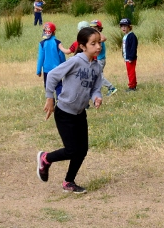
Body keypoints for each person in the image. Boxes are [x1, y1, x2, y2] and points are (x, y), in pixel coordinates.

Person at [37, 27, 103, 194]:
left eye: (99, 43)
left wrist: (97, 96)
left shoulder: (97, 66)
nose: (98, 47)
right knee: (72, 149)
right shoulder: (75, 61)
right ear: (82, 46)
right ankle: (45, 158)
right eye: (93, 44)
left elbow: (96, 87)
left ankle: (68, 182)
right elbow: (52, 76)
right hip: (64, 112)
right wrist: (50, 98)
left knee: (82, 150)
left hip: (80, 113)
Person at [36, 22, 68, 98]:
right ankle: (60, 100)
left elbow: (40, 58)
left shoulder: (42, 44)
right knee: (59, 86)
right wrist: (65, 68)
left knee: (48, 87)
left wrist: (38, 70)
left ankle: (51, 102)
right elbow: (62, 57)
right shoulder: (58, 43)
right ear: (54, 32)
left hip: (47, 70)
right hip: (57, 69)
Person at [91, 19, 118, 96]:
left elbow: (103, 40)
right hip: (100, 59)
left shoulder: (99, 39)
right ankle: (97, 90)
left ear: (99, 29)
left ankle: (111, 88)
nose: (92, 29)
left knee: (98, 76)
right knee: (97, 75)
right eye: (91, 27)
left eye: (95, 28)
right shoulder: (97, 38)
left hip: (100, 60)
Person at [120, 18, 138, 91]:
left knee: (131, 72)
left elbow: (133, 48)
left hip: (131, 58)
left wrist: (131, 57)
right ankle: (133, 83)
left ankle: (132, 86)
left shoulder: (132, 36)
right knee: (129, 72)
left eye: (125, 26)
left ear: (129, 27)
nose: (123, 28)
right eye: (122, 26)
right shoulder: (125, 36)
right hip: (126, 57)